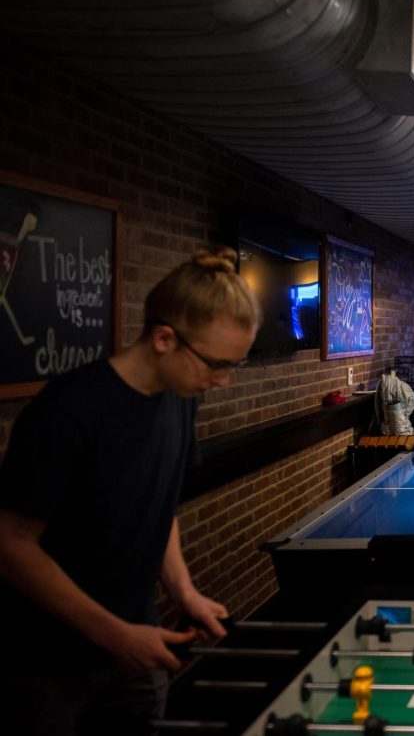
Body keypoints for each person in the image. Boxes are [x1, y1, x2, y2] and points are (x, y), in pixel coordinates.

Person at [0, 247, 260, 735]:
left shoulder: (180, 400)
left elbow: (158, 505)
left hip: (136, 639)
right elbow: (10, 544)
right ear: (165, 338)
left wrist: (183, 590)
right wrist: (113, 634)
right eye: (217, 364)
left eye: (234, 366)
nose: (223, 381)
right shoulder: (68, 411)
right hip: (45, 662)